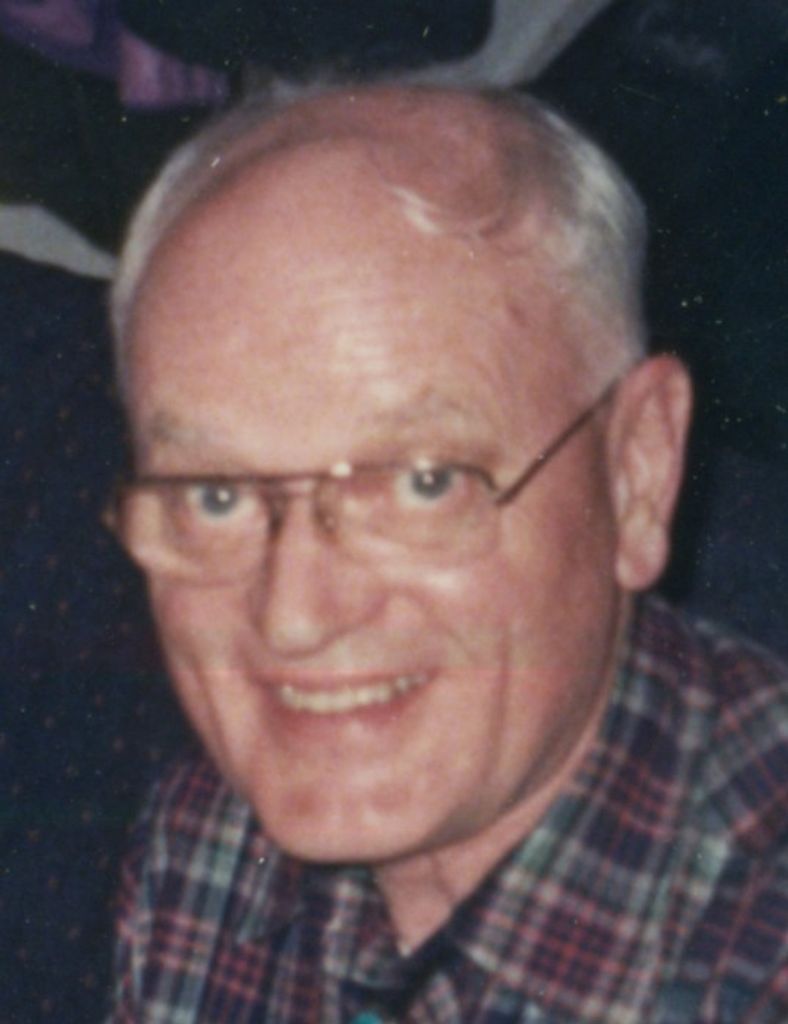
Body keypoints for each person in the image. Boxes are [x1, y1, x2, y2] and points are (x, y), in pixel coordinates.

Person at [104, 79, 788, 1022]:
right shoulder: (209, 849)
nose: (294, 616)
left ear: (638, 470)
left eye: (424, 482)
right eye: (214, 496)